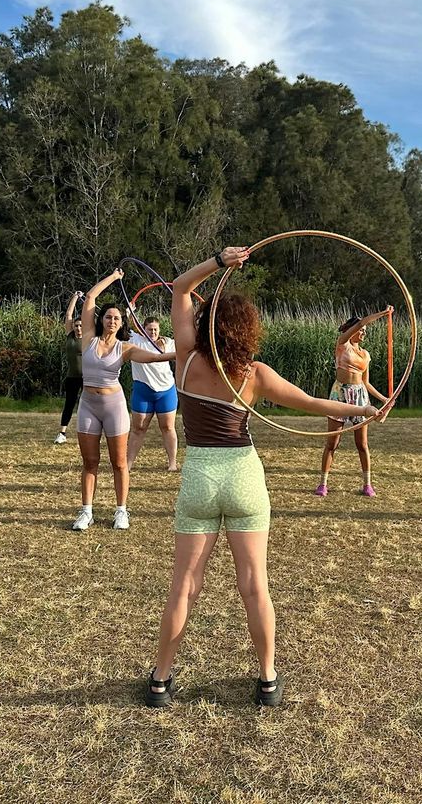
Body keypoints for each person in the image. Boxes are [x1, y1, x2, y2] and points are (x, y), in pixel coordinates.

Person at [147, 247, 386, 709]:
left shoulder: (186, 359)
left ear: (205, 324)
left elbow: (180, 287)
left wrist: (219, 262)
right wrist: (364, 410)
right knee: (254, 583)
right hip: (243, 475)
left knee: (184, 586)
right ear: (247, 330)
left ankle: (160, 680)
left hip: (199, 476)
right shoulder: (253, 374)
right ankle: (268, 680)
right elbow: (313, 403)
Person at [71, 268, 176, 532]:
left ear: (121, 323)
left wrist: (180, 354)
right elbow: (91, 296)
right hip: (88, 405)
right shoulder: (88, 339)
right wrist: (114, 278)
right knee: (90, 462)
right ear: (101, 319)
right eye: (108, 316)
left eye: (117, 318)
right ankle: (86, 511)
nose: (112, 320)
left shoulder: (125, 348)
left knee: (119, 463)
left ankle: (121, 510)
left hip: (114, 406)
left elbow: (154, 357)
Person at [314, 308, 393, 497]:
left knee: (362, 444)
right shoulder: (342, 344)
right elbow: (361, 323)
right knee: (332, 442)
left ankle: (367, 484)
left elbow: (366, 382)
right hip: (339, 394)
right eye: (361, 330)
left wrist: (384, 399)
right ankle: (323, 484)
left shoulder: (365, 354)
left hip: (359, 396)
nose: (364, 332)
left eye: (364, 330)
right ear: (353, 329)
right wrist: (382, 314)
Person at [126, 313, 179, 471]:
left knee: (168, 427)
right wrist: (128, 313)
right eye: (149, 329)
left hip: (166, 391)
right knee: (138, 429)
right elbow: (122, 328)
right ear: (143, 329)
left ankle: (172, 463)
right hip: (143, 392)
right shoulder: (135, 340)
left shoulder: (168, 342)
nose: (153, 332)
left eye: (155, 329)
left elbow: (187, 347)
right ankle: (128, 464)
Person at [56, 291, 85, 444]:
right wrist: (75, 297)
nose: (78, 328)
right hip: (72, 377)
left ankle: (89, 433)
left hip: (87, 378)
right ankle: (62, 433)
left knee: (87, 406)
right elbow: (68, 314)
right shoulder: (70, 335)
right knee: (69, 404)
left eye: (81, 325)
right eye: (76, 325)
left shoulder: (89, 337)